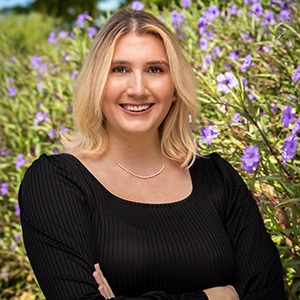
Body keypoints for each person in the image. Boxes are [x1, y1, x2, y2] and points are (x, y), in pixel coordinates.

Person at [18, 8, 287, 300]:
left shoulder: (219, 180)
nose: (138, 88)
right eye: (119, 69)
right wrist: (220, 295)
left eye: (155, 69)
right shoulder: (55, 183)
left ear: (174, 87)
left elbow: (269, 292)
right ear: (97, 83)